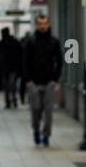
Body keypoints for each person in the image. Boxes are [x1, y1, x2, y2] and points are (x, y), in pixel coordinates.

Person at [23, 12, 63, 146]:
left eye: (45, 24)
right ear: (36, 25)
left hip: (49, 82)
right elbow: (25, 62)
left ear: (49, 24)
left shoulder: (54, 42)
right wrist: (28, 80)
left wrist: (55, 79)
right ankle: (35, 129)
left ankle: (46, 135)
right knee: (35, 109)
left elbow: (59, 61)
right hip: (34, 82)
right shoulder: (30, 42)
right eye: (40, 24)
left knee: (48, 111)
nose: (43, 26)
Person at [0, 26, 22, 108]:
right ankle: (10, 101)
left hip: (11, 67)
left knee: (10, 85)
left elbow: (20, 54)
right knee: (8, 86)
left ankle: (12, 100)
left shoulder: (12, 42)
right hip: (8, 68)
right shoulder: (4, 43)